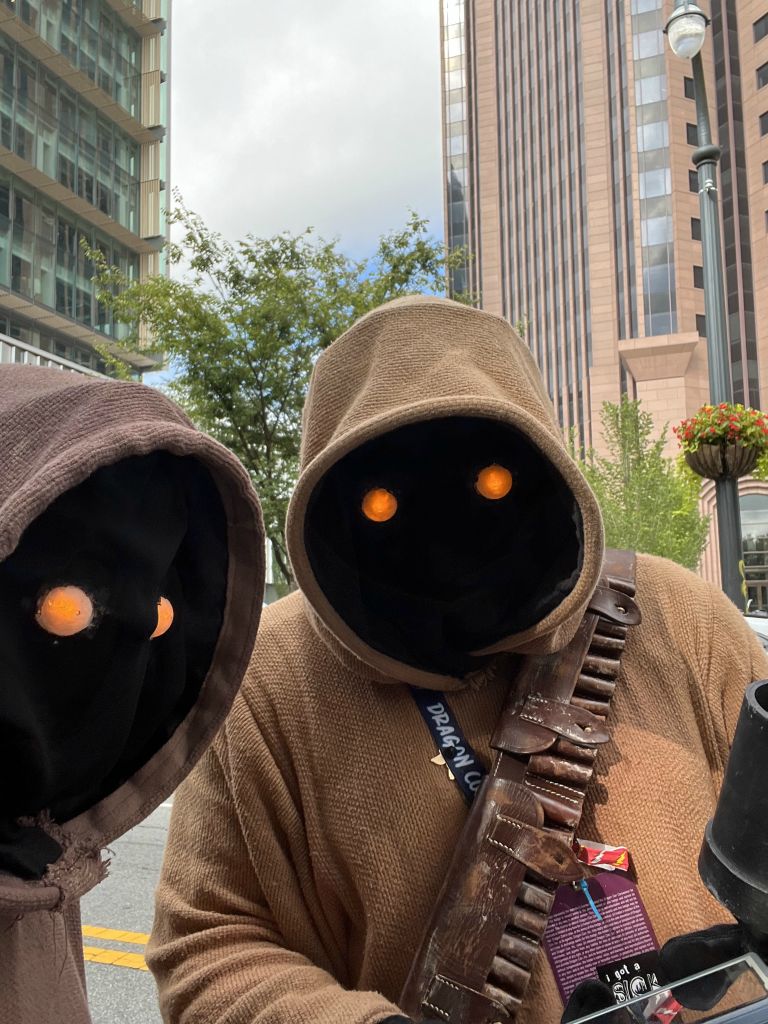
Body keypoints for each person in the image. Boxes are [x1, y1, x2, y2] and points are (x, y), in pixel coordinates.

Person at [149, 296, 768, 1024]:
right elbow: (209, 943)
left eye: (491, 482)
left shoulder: (678, 616)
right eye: (383, 502)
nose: (445, 536)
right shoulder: (268, 681)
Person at [0, 365, 264, 1024]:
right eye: (69, 604)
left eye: (157, 612)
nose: (139, 626)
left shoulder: (35, 839)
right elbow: (211, 936)